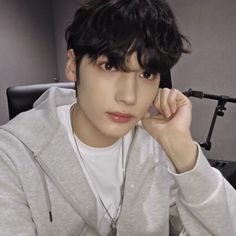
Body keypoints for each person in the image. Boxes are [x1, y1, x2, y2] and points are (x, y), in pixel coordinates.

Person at [0, 0, 235, 235]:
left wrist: (183, 151)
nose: (130, 97)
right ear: (72, 65)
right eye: (110, 66)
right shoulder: (10, 156)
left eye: (146, 73)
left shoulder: (156, 145)